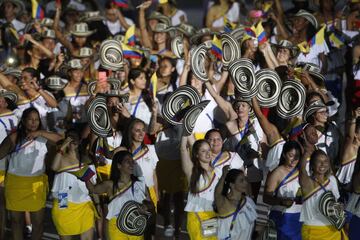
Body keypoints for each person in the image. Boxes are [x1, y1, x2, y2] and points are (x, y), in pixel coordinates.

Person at [0, 107, 62, 240]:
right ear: (23, 120)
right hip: (15, 184)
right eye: (30, 119)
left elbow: (61, 140)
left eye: (36, 120)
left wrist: (40, 133)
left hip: (36, 183)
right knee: (16, 222)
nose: (34, 122)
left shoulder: (43, 137)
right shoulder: (14, 137)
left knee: (38, 223)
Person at [86, 151, 153, 240]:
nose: (131, 163)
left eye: (132, 161)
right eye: (127, 161)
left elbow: (151, 205)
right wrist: (85, 175)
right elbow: (93, 189)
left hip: (136, 228)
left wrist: (146, 207)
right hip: (116, 230)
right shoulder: (110, 185)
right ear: (119, 166)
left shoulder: (140, 184)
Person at [51, 130, 96, 239]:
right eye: (69, 138)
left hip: (84, 202)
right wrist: (63, 146)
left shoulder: (86, 158)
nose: (72, 140)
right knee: (65, 233)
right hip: (63, 199)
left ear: (80, 141)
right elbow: (54, 167)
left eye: (75, 138)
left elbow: (93, 183)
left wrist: (97, 204)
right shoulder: (61, 157)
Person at [299, 146, 346, 239]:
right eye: (318, 161)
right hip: (313, 229)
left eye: (325, 161)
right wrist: (306, 154)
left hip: (333, 229)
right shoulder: (308, 182)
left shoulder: (332, 180)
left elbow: (335, 201)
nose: (322, 164)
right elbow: (302, 170)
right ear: (312, 164)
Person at [180, 136, 220, 240]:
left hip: (213, 215)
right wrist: (185, 131)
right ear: (197, 154)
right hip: (197, 215)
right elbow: (183, 149)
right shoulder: (191, 171)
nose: (208, 153)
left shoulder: (218, 171)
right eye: (203, 151)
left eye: (209, 150)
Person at [264, 141, 303, 240]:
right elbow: (266, 198)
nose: (294, 159)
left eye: (297, 156)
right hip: (282, 218)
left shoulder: (302, 172)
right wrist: (281, 201)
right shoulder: (277, 173)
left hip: (299, 217)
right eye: (291, 155)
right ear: (284, 155)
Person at [215, 166, 257, 240]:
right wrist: (223, 176)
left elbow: (251, 226)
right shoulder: (225, 204)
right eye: (241, 181)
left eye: (245, 179)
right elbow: (217, 194)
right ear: (231, 184)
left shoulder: (248, 201)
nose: (245, 183)